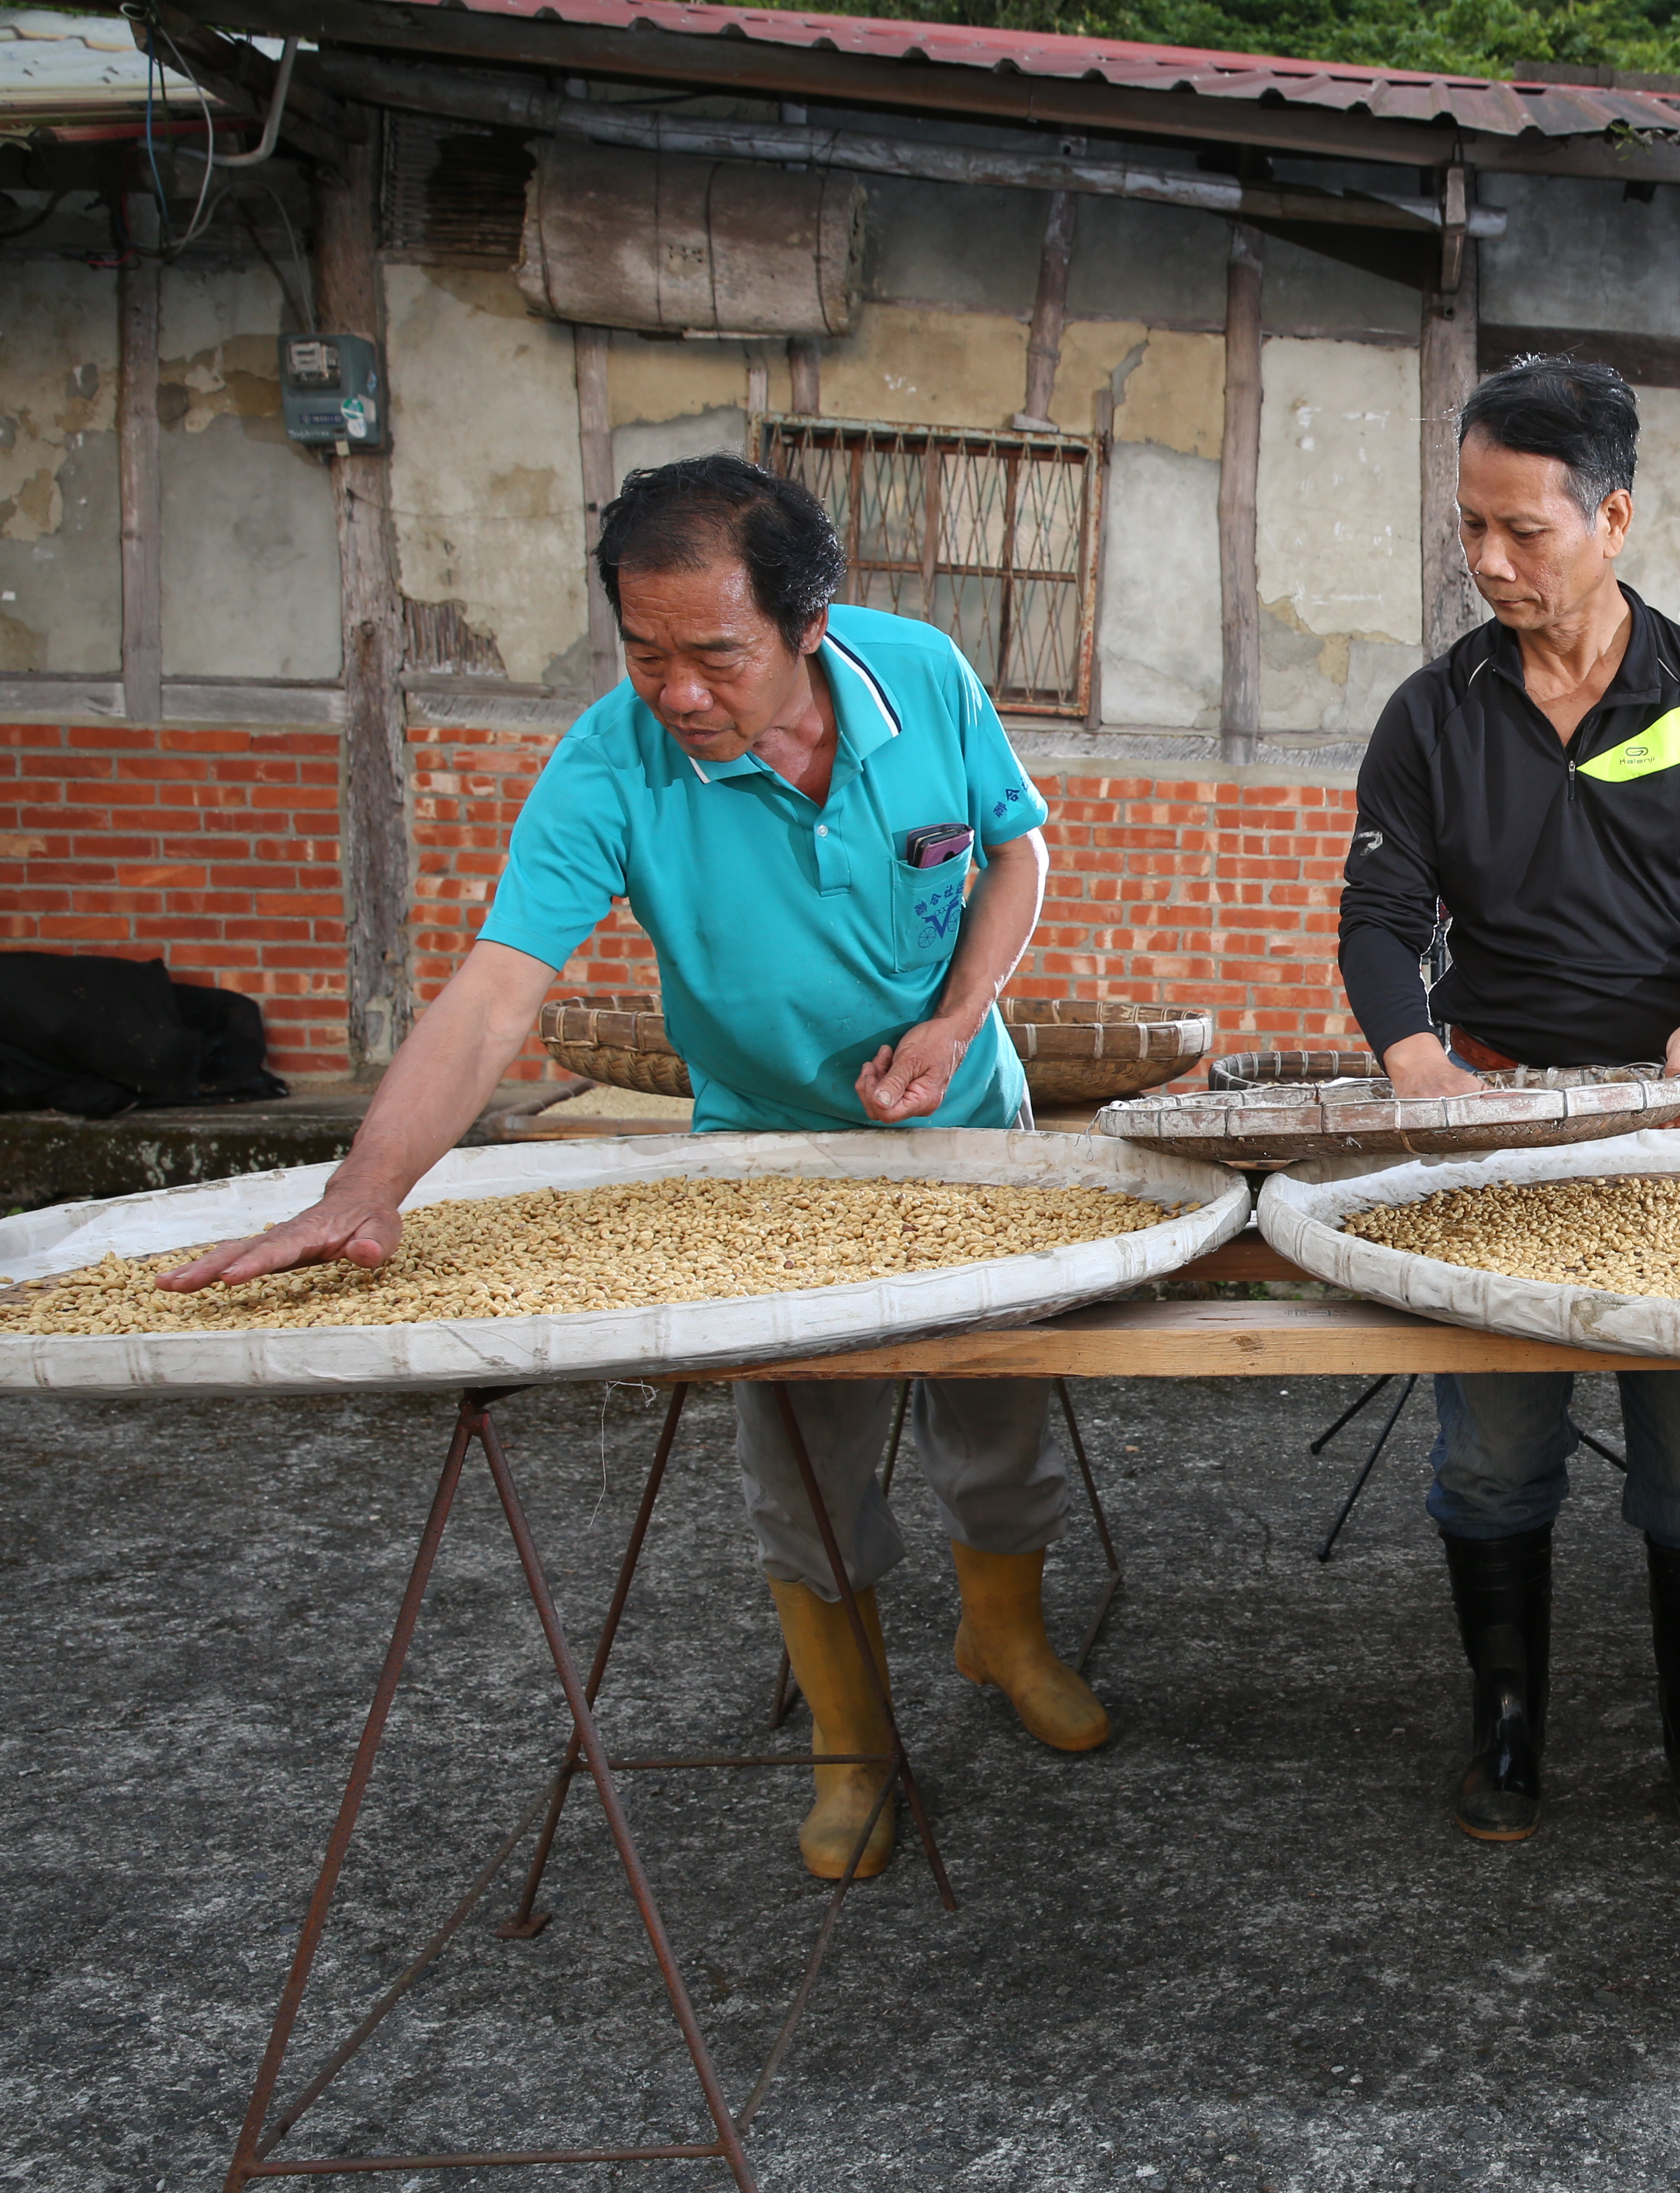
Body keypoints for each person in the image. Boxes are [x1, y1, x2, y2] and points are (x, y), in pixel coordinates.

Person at [158, 454, 1101, 1882]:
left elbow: (1016, 855)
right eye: (646, 652)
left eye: (712, 654)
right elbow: (491, 995)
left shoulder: (923, 675)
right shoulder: (612, 762)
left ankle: (1008, 1638)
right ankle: (851, 1746)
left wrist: (961, 1014)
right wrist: (361, 1195)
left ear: (809, 625)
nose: (675, 691)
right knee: (802, 1460)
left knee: (998, 1420)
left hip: (969, 1129)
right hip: (766, 1159)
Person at [1338, 356, 1680, 1847]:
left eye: (1522, 532)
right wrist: (1416, 1056)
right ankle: (1507, 1729)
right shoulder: (1434, 714)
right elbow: (1378, 912)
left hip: (1667, 1129)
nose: (1487, 561)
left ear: (1614, 518)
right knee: (1489, 1451)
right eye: (1468, 527)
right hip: (1493, 1124)